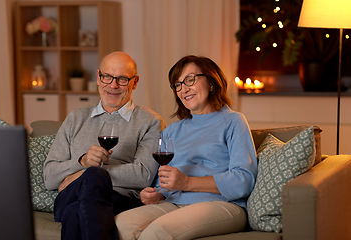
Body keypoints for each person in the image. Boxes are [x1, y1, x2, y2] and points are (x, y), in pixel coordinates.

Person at [115, 55, 258, 240]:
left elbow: (244, 180)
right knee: (121, 225)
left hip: (222, 204)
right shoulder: (172, 130)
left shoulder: (233, 121)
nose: (184, 89)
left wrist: (187, 183)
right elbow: (165, 183)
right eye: (178, 84)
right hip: (175, 203)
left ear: (211, 80)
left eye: (190, 80)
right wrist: (156, 194)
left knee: (157, 232)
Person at [43, 51, 166, 240]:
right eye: (107, 77)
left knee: (74, 212)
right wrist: (83, 162)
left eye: (122, 79)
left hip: (119, 199)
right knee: (90, 179)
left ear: (135, 81)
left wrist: (84, 174)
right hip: (70, 195)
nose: (113, 85)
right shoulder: (76, 117)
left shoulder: (149, 121)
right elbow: (50, 177)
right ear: (99, 77)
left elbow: (143, 174)